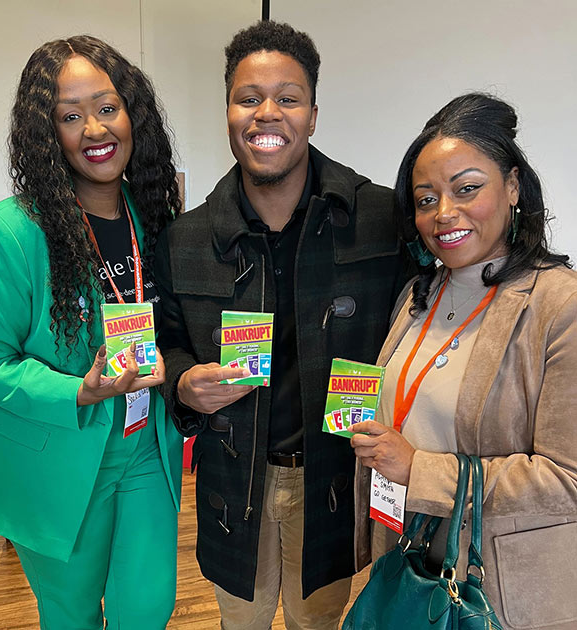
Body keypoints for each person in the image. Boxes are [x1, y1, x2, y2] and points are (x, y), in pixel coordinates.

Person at [155, 20, 412, 630]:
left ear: (314, 113)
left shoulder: (378, 218)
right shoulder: (186, 238)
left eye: (288, 98)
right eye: (249, 98)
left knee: (316, 623)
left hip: (335, 475)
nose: (267, 113)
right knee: (237, 622)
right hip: (230, 481)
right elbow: (165, 342)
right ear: (228, 111)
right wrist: (184, 382)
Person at [0, 36, 183, 630]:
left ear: (133, 113)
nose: (94, 129)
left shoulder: (153, 212)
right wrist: (78, 390)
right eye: (69, 116)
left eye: (107, 108)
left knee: (147, 609)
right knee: (71, 615)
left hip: (145, 450)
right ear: (45, 134)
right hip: (59, 455)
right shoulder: (7, 231)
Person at [350, 92, 577, 630]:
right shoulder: (418, 295)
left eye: (467, 189)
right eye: (426, 199)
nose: (443, 214)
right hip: (408, 572)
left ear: (514, 187)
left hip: (496, 594)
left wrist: (419, 470)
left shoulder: (558, 306)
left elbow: (568, 479)